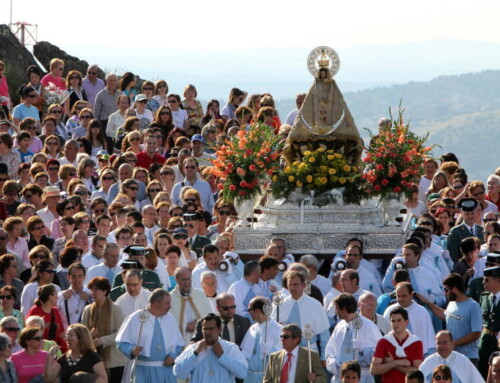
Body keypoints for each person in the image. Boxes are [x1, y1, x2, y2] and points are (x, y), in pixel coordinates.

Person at [116, 288, 184, 383]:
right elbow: (121, 341)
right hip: (143, 371)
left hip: (166, 371)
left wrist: (173, 356)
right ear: (156, 304)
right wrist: (132, 350)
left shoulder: (170, 318)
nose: (170, 306)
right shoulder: (136, 318)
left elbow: (179, 344)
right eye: (167, 303)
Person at [417, 273, 481, 364]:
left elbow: (476, 333)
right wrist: (427, 302)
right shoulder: (451, 303)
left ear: (454, 289)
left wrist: (453, 343)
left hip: (468, 358)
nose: (444, 293)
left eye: (446, 290)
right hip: (451, 356)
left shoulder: (473, 306)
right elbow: (444, 315)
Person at [272, 270, 330, 361]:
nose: (293, 288)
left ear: (303, 285)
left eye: (296, 284)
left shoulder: (315, 304)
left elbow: (324, 335)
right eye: (290, 285)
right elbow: (272, 329)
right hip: (285, 353)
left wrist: (324, 358)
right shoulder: (279, 304)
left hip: (309, 352)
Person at [174, 313, 248, 382]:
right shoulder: (194, 348)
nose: (207, 332)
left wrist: (222, 355)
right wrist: (195, 354)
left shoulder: (230, 348)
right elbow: (179, 373)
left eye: (211, 328)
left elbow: (242, 373)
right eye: (205, 329)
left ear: (219, 330)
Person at [326, 293, 382, 382]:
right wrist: (332, 361)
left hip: (362, 378)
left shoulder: (369, 326)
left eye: (336, 308)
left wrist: (363, 351)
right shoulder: (339, 326)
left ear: (344, 309)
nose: (335, 311)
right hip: (341, 378)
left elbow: (379, 353)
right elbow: (330, 351)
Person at [81, 277, 127, 383]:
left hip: (114, 359)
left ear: (104, 291)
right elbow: (82, 332)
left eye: (95, 290)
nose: (93, 293)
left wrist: (102, 341)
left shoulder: (116, 308)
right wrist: (90, 336)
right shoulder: (87, 309)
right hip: (93, 358)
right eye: (91, 290)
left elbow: (121, 333)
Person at [371, 307, 424, 383]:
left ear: (406, 322)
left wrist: (393, 364)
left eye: (399, 320)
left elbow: (417, 371)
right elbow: (373, 370)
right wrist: (397, 362)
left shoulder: (416, 342)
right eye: (393, 321)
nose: (395, 324)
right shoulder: (383, 341)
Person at [383, 282, 436, 356]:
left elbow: (430, 339)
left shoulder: (422, 311)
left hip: (419, 355)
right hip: (395, 356)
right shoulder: (389, 311)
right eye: (398, 296)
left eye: (404, 296)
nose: (400, 299)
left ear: (411, 295)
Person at [240, 296, 282, 383]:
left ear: (257, 311)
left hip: (267, 377)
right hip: (250, 377)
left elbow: (282, 354)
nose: (248, 313)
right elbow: (245, 354)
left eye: (249, 310)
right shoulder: (252, 328)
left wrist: (270, 351)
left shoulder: (278, 329)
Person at [418, 330, 483, 383]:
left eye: (445, 342)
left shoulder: (463, 361)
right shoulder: (428, 362)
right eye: (439, 343)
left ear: (452, 343)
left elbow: (477, 380)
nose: (442, 346)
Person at [169, 267, 212, 345]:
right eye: (183, 279)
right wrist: (184, 327)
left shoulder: (200, 295)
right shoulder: (170, 298)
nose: (187, 282)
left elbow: (210, 318)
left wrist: (199, 325)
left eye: (189, 279)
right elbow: (167, 325)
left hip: (201, 341)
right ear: (176, 280)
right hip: (180, 343)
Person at [26, 284, 67, 352]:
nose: (57, 297)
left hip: (55, 349)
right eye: (56, 295)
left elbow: (61, 333)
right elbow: (28, 332)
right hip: (39, 349)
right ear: (50, 297)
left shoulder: (55, 311)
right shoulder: (35, 311)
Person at [447, 198, 485, 263]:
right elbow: (453, 256)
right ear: (462, 213)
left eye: (472, 213)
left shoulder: (482, 230)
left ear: (475, 212)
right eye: (467, 214)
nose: (470, 216)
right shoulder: (455, 232)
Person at [479, 266, 500, 378]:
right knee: (483, 374)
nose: (483, 282)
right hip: (485, 343)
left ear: (498, 280)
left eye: (487, 280)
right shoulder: (484, 297)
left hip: (498, 344)